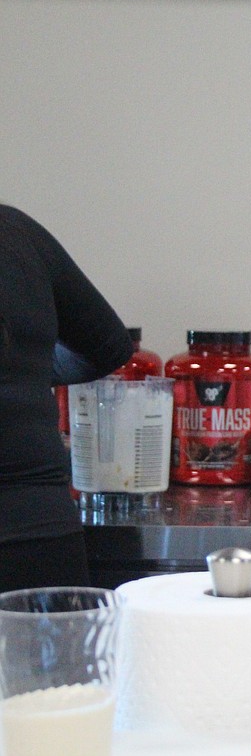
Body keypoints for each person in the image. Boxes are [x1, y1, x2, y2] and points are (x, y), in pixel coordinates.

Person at [0, 204, 134, 594]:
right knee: (56, 658)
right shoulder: (15, 231)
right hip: (40, 539)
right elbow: (107, 346)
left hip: (35, 524)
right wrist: (27, 373)